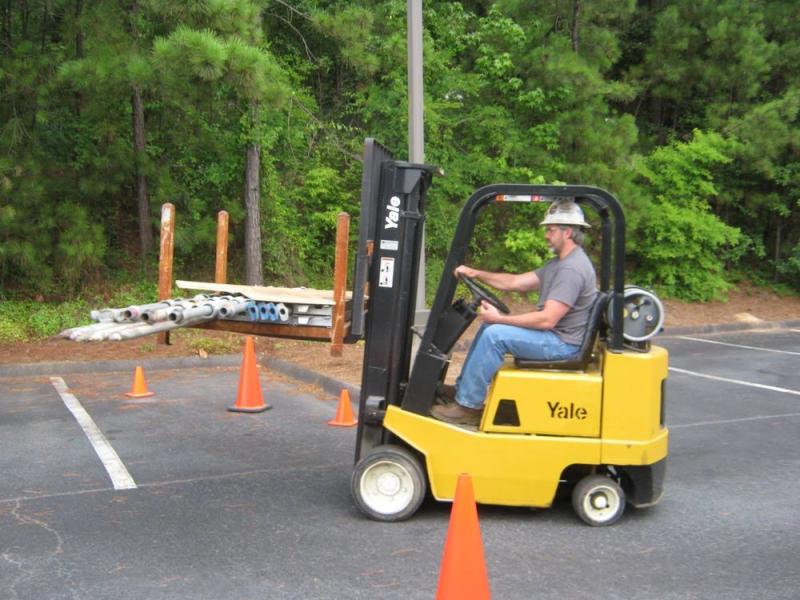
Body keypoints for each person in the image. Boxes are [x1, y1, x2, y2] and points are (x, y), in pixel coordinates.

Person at [430, 199, 598, 425]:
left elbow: (547, 320)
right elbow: (515, 282)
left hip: (562, 344)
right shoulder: (559, 264)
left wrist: (501, 319)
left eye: (551, 230)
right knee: (490, 327)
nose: (546, 235)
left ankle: (468, 406)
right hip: (557, 337)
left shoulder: (572, 269)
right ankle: (464, 391)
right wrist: (476, 273)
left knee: (495, 335)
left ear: (567, 232)